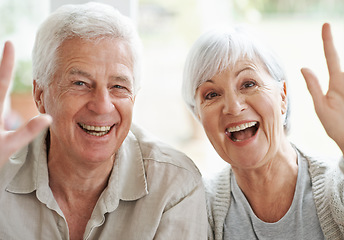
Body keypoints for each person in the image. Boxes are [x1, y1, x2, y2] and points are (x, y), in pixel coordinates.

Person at [0, 2, 208, 239]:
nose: (102, 106)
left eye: (118, 86)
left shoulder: (174, 186)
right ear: (40, 96)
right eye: (80, 83)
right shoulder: (2, 166)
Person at [182, 13, 344, 240]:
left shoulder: (343, 190)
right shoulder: (197, 208)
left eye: (248, 84)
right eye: (212, 94)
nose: (233, 107)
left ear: (282, 97)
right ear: (198, 115)